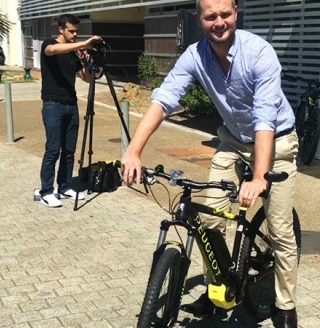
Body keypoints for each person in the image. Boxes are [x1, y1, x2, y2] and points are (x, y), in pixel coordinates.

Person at [121, 0, 299, 326]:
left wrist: (259, 176)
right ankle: (218, 286)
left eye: (225, 14)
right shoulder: (195, 56)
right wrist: (133, 151)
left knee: (279, 230)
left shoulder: (259, 53)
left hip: (277, 142)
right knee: (211, 220)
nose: (219, 22)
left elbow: (264, 119)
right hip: (232, 142)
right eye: (210, 16)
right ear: (198, 18)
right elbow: (164, 99)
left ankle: (285, 304)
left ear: (236, 12)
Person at [38, 14, 103, 207]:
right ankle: (46, 191)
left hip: (71, 104)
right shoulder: (49, 44)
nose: (75, 35)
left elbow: (88, 78)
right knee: (53, 149)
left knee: (68, 151)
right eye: (71, 31)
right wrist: (83, 44)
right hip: (53, 104)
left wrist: (91, 61)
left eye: (77, 32)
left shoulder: (73, 52)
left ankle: (64, 186)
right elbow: (53, 50)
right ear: (61, 30)